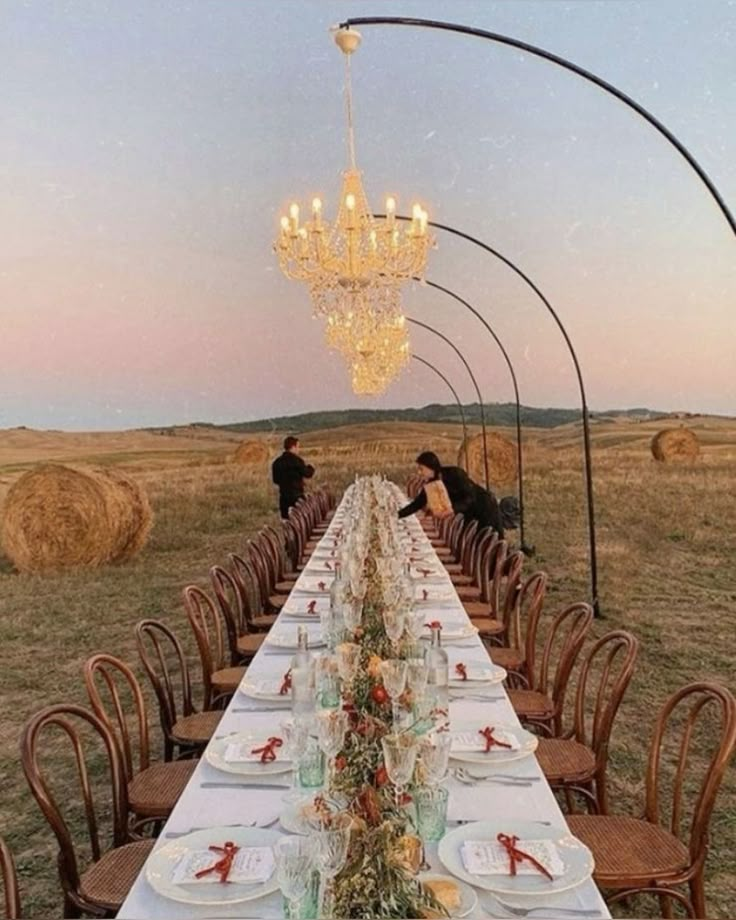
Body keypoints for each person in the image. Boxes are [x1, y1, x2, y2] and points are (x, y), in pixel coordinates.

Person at [399, 450, 504, 537]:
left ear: (430, 467)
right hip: (469, 514)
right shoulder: (431, 485)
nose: (419, 472)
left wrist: (452, 509)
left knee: (492, 540)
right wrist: (397, 515)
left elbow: (470, 498)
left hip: (485, 507)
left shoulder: (455, 473)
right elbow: (416, 504)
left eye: (421, 469)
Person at [271, 436, 315, 520]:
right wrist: (311, 468)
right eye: (298, 447)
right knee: (300, 522)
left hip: (284, 498)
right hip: (297, 497)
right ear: (293, 447)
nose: (299, 449)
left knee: (286, 523)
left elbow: (275, 480)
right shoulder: (297, 461)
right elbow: (308, 474)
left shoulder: (277, 463)